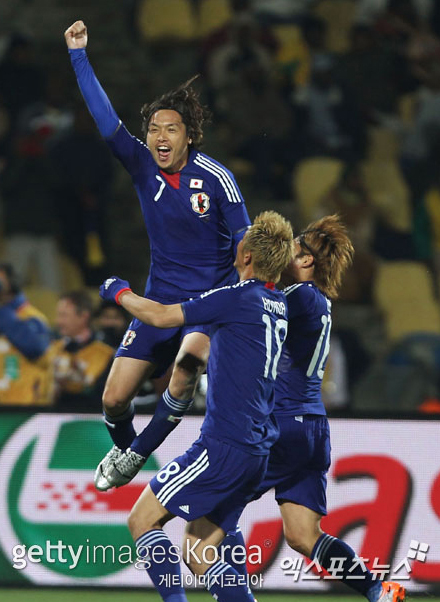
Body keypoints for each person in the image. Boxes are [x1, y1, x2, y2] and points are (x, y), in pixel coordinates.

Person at [64, 21, 251, 478]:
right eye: (153, 129)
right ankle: (132, 453)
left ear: (190, 136)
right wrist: (78, 54)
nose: (160, 137)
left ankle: (136, 456)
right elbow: (106, 120)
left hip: (206, 305)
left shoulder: (217, 178)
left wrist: (242, 297)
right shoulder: (141, 166)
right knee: (113, 399)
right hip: (158, 300)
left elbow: (246, 244)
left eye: (171, 129)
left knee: (187, 367)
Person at [98, 211, 293, 602]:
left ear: (247, 255)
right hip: (256, 451)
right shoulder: (277, 305)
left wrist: (118, 291)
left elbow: (160, 315)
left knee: (142, 520)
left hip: (223, 446)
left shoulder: (237, 298)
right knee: (199, 553)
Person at [223, 215, 406, 602]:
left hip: (283, 423)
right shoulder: (318, 302)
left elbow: (252, 314)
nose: (282, 254)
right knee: (304, 536)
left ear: (306, 262)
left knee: (220, 507)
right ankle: (376, 589)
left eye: (290, 248)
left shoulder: (299, 297)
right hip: (312, 426)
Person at [51, 290, 114, 412]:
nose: (58, 321)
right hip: (52, 421)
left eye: (64, 315)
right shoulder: (53, 348)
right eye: (58, 315)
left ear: (84, 317)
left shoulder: (105, 354)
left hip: (90, 422)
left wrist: (76, 383)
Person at [0, 263, 54, 406]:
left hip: (24, 407)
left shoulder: (32, 317)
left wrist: (3, 311)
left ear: (12, 283)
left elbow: (35, 347)